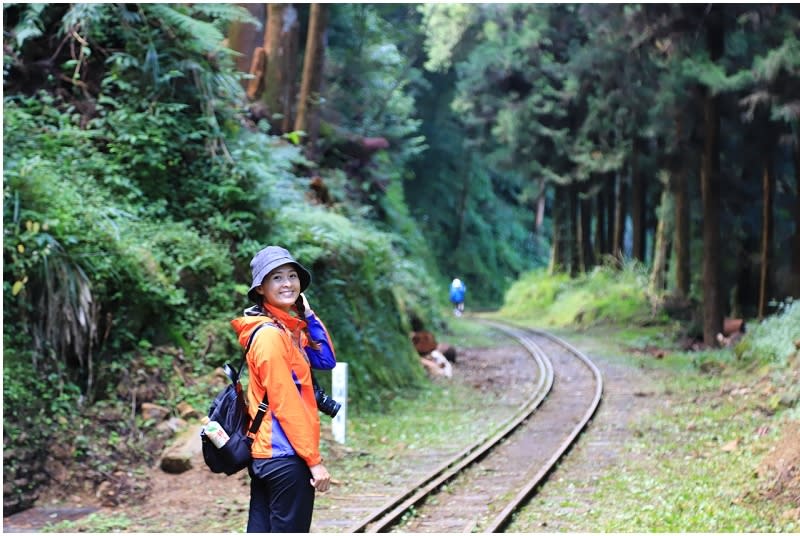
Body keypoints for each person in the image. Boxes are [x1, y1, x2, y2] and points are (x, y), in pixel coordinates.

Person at [230, 245, 337, 532]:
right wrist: (313, 461)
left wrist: (309, 316)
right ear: (261, 289)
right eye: (276, 278)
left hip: (271, 457)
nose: (287, 283)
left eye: (292, 276)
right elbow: (286, 402)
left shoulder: (285, 330)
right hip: (284, 456)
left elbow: (325, 360)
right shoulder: (270, 337)